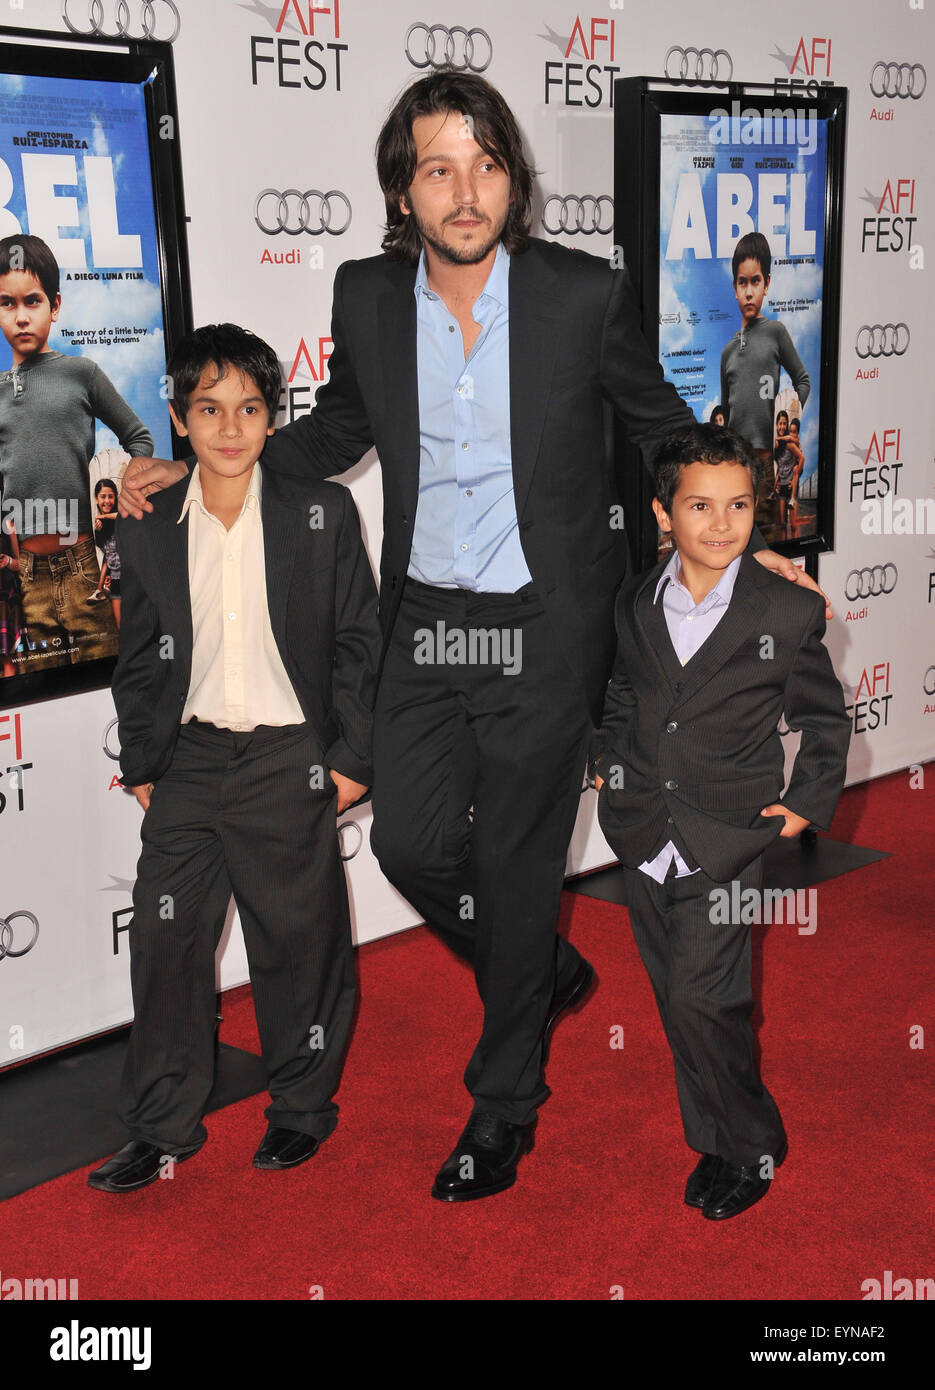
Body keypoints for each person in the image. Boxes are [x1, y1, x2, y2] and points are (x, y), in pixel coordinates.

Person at [120, 70, 829, 1203]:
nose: (463, 189)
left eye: (484, 162)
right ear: (401, 189)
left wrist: (748, 536)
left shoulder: (578, 294)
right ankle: (535, 965)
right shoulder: (363, 294)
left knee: (510, 861)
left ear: (513, 176)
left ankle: (502, 1108)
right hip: (427, 626)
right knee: (406, 842)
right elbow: (339, 426)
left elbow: (659, 426)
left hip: (544, 635)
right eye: (435, 167)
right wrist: (209, 460)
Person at [88, 323, 381, 1193]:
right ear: (179, 420)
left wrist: (353, 759)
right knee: (166, 942)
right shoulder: (146, 526)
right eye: (208, 409)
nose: (228, 428)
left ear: (271, 418)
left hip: (291, 758)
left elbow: (362, 644)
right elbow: (139, 653)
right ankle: (161, 1125)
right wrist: (144, 760)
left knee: (299, 947)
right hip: (189, 761)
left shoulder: (319, 513)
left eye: (248, 408)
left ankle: (299, 1109)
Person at [593, 423, 850, 1220]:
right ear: (663, 514)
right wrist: (607, 755)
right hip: (640, 828)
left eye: (738, 504)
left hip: (730, 839)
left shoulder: (783, 606)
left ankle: (749, 1144)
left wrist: (803, 806)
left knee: (711, 999)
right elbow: (623, 694)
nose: (720, 523)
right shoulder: (636, 598)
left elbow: (824, 719)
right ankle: (710, 1135)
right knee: (676, 996)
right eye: (698, 505)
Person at [0, 234, 152, 671]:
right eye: (7, 304)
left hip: (86, 567)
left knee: (108, 692)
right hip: (28, 578)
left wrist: (124, 495)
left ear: (56, 305)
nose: (22, 317)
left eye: (33, 301)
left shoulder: (81, 374)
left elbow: (138, 438)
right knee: (43, 706)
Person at [719, 232, 810, 492]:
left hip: (769, 460)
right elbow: (726, 413)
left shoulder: (776, 332)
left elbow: (802, 380)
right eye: (742, 282)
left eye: (755, 281)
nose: (749, 292)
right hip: (736, 463)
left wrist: (790, 421)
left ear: (766, 283)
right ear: (735, 288)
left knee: (771, 530)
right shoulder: (727, 353)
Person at [89, 477, 121, 621]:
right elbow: (107, 557)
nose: (107, 501)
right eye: (103, 497)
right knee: (121, 629)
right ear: (96, 499)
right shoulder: (100, 527)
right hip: (116, 581)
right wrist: (99, 587)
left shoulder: (122, 515)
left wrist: (101, 516)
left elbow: (122, 517)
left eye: (110, 496)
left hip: (132, 579)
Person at [772, 410, 804, 535]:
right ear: (776, 425)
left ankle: (798, 550)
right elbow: (780, 466)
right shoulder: (777, 445)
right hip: (782, 487)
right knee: (782, 524)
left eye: (784, 424)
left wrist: (795, 476)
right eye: (780, 424)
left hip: (791, 486)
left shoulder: (790, 444)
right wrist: (777, 481)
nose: (782, 427)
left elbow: (801, 459)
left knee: (794, 524)